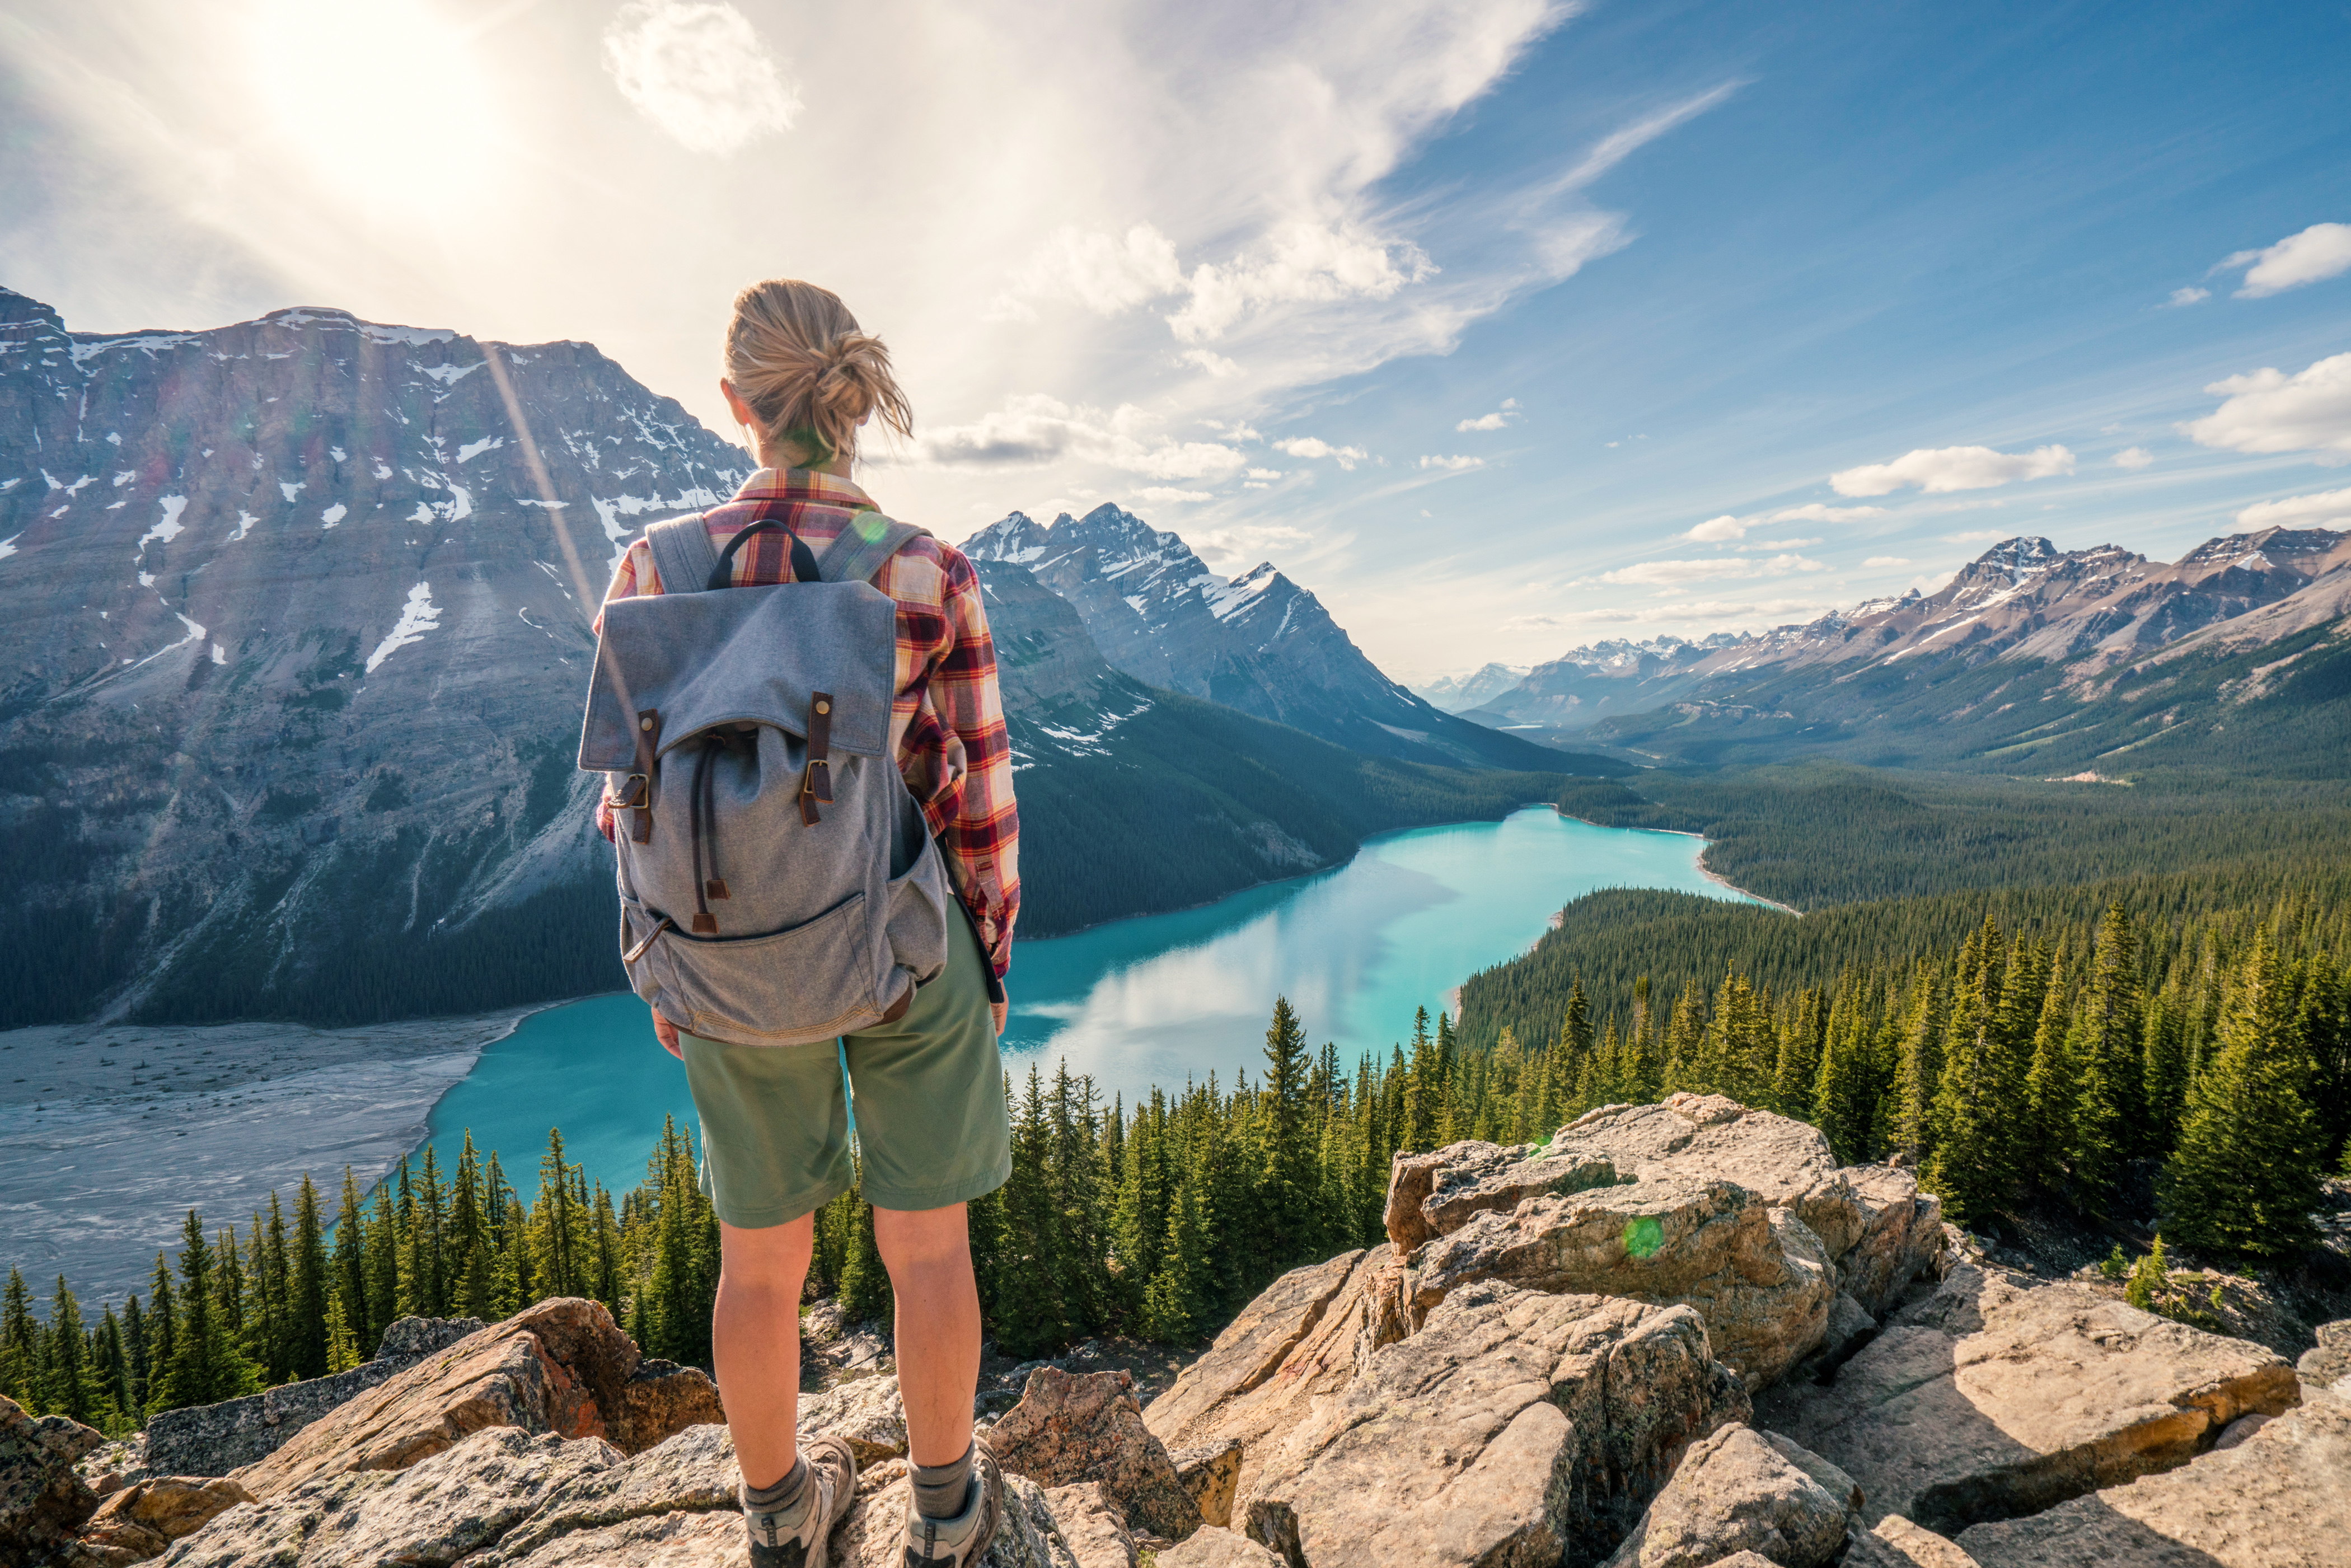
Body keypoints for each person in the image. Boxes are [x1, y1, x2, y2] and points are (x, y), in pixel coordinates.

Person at [594, 278, 1018, 1568]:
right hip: (898, 948)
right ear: (852, 401)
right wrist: (987, 961)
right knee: (928, 1247)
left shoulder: (649, 567)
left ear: (734, 404)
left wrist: (668, 969)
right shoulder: (925, 570)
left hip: (727, 952)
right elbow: (980, 807)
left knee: (760, 1262)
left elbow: (629, 806)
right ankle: (946, 1515)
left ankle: (780, 1518)